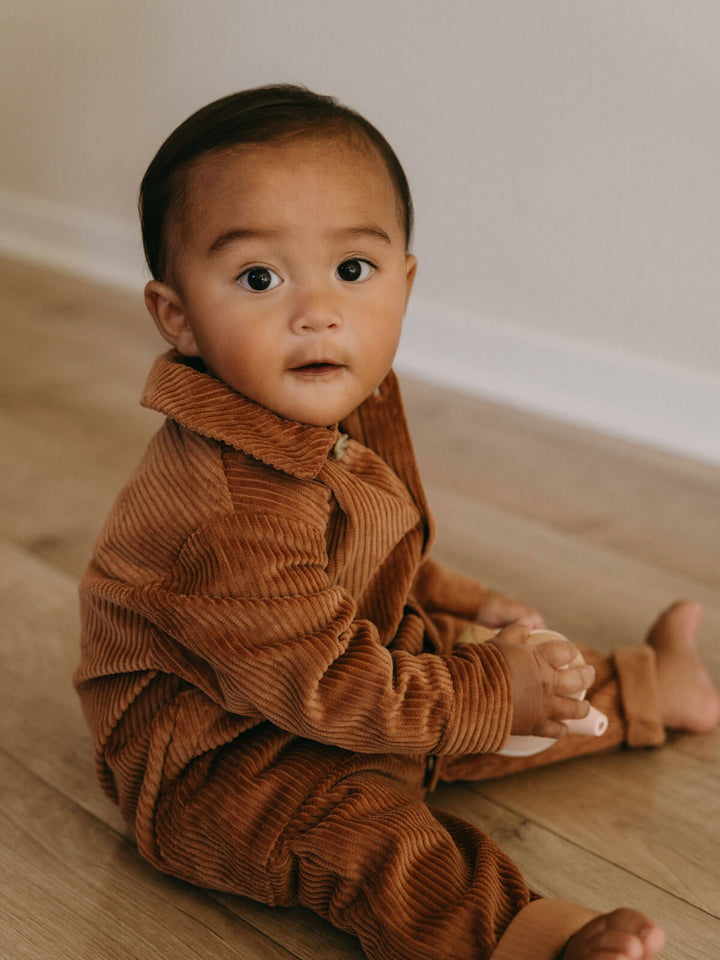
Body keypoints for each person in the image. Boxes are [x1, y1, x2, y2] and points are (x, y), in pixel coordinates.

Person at [74, 84, 719, 960]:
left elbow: (371, 552)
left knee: (510, 673)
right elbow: (328, 687)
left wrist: (468, 608)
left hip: (341, 663)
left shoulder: (330, 402)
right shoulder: (221, 511)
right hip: (232, 759)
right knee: (367, 832)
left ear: (405, 284)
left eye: (353, 270)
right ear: (178, 316)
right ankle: (525, 939)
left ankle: (649, 686)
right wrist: (487, 689)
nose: (318, 311)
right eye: (259, 278)